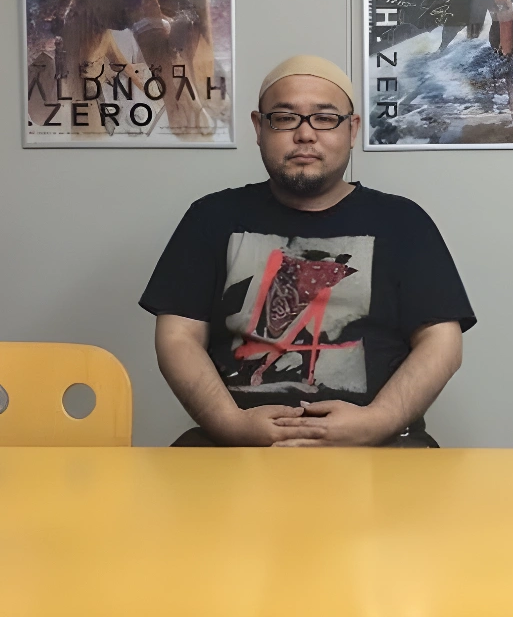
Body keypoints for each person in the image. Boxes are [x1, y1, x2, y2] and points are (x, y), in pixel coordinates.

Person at [139, 55, 476, 447]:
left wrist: (376, 422)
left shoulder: (404, 222)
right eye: (285, 118)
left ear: (351, 129)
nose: (305, 134)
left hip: (381, 446)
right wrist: (231, 424)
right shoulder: (210, 218)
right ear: (259, 128)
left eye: (325, 118)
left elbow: (441, 343)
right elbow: (178, 336)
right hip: (232, 446)